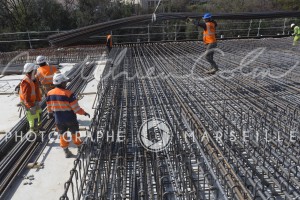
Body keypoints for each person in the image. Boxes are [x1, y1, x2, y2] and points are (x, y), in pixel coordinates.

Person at [46, 73, 90, 158]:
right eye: (65, 82)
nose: (66, 83)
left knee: (62, 134)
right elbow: (76, 109)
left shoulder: (49, 93)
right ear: (62, 83)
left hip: (58, 119)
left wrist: (50, 113)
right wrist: (84, 113)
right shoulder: (69, 94)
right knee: (75, 133)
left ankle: (66, 151)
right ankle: (79, 147)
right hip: (70, 119)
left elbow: (49, 106)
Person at [19, 63, 42, 135]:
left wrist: (37, 100)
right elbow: (26, 96)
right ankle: (33, 133)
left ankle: (39, 127)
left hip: (34, 101)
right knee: (33, 118)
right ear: (31, 71)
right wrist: (30, 105)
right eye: (35, 70)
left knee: (40, 113)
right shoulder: (26, 82)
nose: (36, 71)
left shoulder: (32, 79)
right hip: (29, 103)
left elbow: (35, 90)